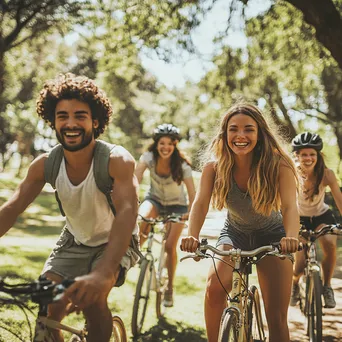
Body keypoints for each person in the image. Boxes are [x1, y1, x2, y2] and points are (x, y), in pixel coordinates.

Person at [0, 73, 140, 342]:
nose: (71, 123)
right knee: (49, 303)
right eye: (62, 116)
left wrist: (102, 274)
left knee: (93, 299)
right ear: (53, 121)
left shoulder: (116, 160)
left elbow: (127, 213)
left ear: (95, 122)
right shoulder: (45, 165)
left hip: (116, 241)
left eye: (80, 116)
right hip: (74, 240)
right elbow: (11, 208)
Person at [180, 103, 300, 342]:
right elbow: (201, 203)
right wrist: (192, 235)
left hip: (274, 235)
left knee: (276, 318)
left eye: (249, 129)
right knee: (215, 290)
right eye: (233, 129)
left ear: (260, 133)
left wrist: (291, 237)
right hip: (235, 232)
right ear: (225, 134)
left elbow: (289, 206)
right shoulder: (214, 167)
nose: (241, 136)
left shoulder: (279, 164)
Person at [135, 123, 196, 307]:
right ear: (156, 144)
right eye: (162, 143)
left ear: (175, 145)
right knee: (142, 218)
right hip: (154, 200)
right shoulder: (148, 158)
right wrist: (130, 201)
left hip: (177, 206)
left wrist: (189, 213)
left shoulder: (182, 165)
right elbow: (135, 180)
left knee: (169, 246)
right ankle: (135, 256)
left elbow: (193, 195)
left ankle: (169, 287)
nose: (166, 147)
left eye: (170, 143)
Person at [290, 132, 342, 308]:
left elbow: (339, 200)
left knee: (330, 243)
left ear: (318, 155)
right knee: (299, 264)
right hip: (298, 217)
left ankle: (327, 286)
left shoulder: (327, 174)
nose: (308, 158)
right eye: (303, 154)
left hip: (321, 215)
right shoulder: (290, 174)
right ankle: (295, 284)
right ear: (296, 155)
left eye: (312, 154)